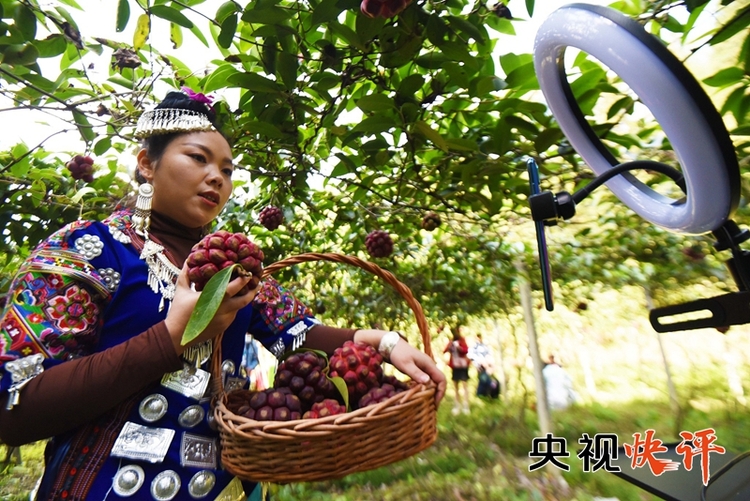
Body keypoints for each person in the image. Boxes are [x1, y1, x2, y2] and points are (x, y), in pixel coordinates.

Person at [0, 89, 446, 501]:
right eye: (198, 158)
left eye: (227, 170)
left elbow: (298, 334)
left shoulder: (234, 268)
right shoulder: (88, 248)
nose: (216, 177)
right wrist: (173, 336)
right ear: (147, 163)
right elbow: (13, 407)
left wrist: (386, 343)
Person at [443, 326, 470, 415]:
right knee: (456, 387)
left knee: (464, 385)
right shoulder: (451, 341)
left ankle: (466, 406)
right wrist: (450, 345)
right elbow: (444, 350)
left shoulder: (462, 340)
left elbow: (466, 350)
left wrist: (460, 348)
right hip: (455, 366)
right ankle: (457, 406)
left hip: (463, 366)